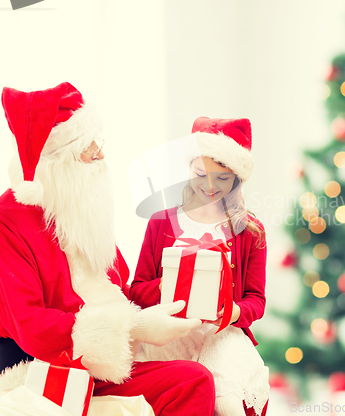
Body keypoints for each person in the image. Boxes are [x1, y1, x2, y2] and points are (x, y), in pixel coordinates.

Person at [0, 82, 215, 415]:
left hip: (102, 363)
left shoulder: (78, 207)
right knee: (192, 380)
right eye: (90, 147)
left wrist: (178, 287)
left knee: (195, 378)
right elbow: (32, 327)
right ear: (59, 162)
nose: (101, 154)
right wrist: (134, 328)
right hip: (43, 368)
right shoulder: (8, 222)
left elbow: (119, 290)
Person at [130, 117, 269, 416]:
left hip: (222, 335)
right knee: (179, 393)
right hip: (170, 333)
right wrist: (174, 284)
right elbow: (137, 291)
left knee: (224, 398)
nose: (209, 186)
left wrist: (233, 312)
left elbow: (256, 301)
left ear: (236, 178)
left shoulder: (250, 230)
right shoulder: (161, 221)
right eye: (200, 174)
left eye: (222, 178)